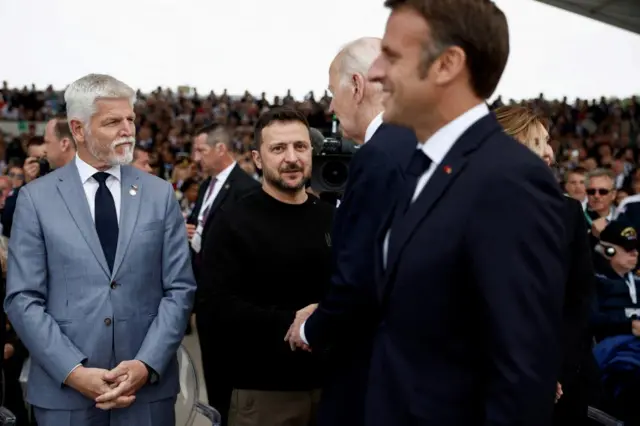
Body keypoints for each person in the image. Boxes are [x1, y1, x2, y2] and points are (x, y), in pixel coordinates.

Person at [364, 1, 567, 425]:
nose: (376, 72)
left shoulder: (510, 182)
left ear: (447, 64)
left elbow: (520, 373)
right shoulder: (427, 166)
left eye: (393, 55)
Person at [4, 73, 196, 426]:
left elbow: (180, 288)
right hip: (65, 395)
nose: (128, 130)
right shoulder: (36, 199)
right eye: (112, 122)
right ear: (78, 130)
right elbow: (22, 298)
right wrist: (74, 371)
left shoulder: (159, 194)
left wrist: (145, 364)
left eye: (130, 120)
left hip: (145, 393)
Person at [284, 37, 416, 426]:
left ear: (357, 86)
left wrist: (312, 327)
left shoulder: (380, 156)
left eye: (332, 92)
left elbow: (363, 278)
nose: (330, 107)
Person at [201, 107, 334, 426]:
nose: (292, 158)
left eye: (300, 147)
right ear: (257, 159)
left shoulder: (332, 217)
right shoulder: (232, 221)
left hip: (331, 388)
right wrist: (293, 320)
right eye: (278, 148)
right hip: (263, 394)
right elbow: (216, 307)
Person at [495, 105, 601, 425]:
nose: (548, 152)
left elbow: (580, 299)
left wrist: (553, 368)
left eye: (548, 141)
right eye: (535, 142)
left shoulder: (569, 213)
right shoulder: (471, 210)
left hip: (562, 373)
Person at [188, 124, 259, 425]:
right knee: (213, 375)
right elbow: (199, 225)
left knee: (230, 381)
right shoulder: (206, 186)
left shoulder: (246, 189)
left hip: (230, 300)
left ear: (221, 149)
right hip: (205, 298)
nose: (195, 158)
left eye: (201, 151)